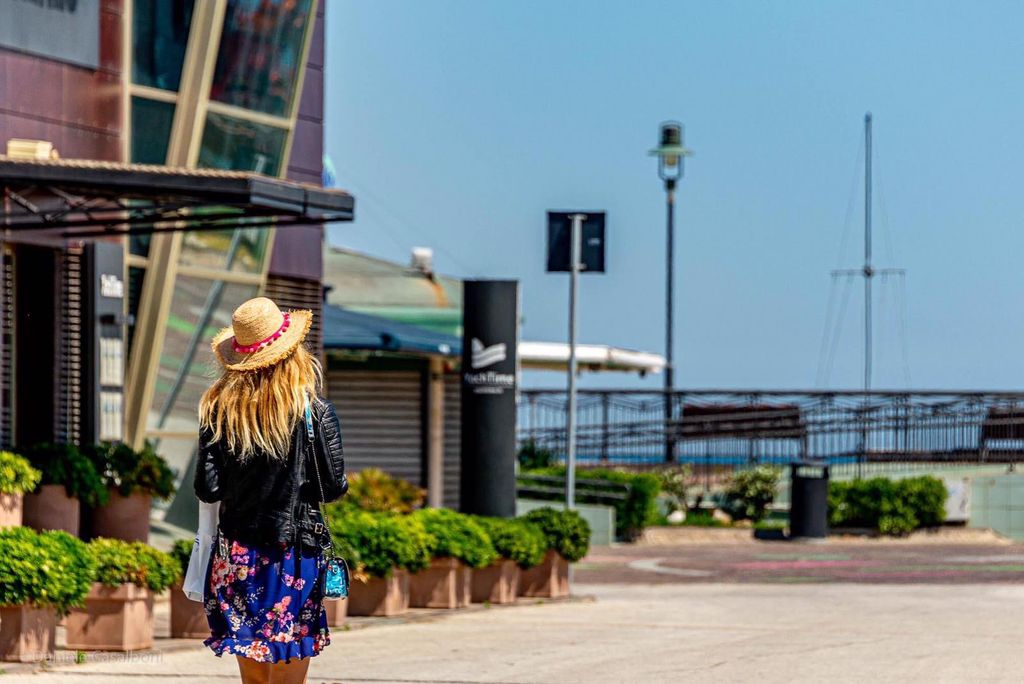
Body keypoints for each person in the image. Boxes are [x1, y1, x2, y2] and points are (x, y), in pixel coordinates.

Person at [195, 297, 347, 684]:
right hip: (293, 555)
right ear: (293, 353)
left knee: (254, 680)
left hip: (237, 555)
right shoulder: (314, 412)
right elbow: (332, 488)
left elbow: (208, 488)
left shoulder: (218, 412)